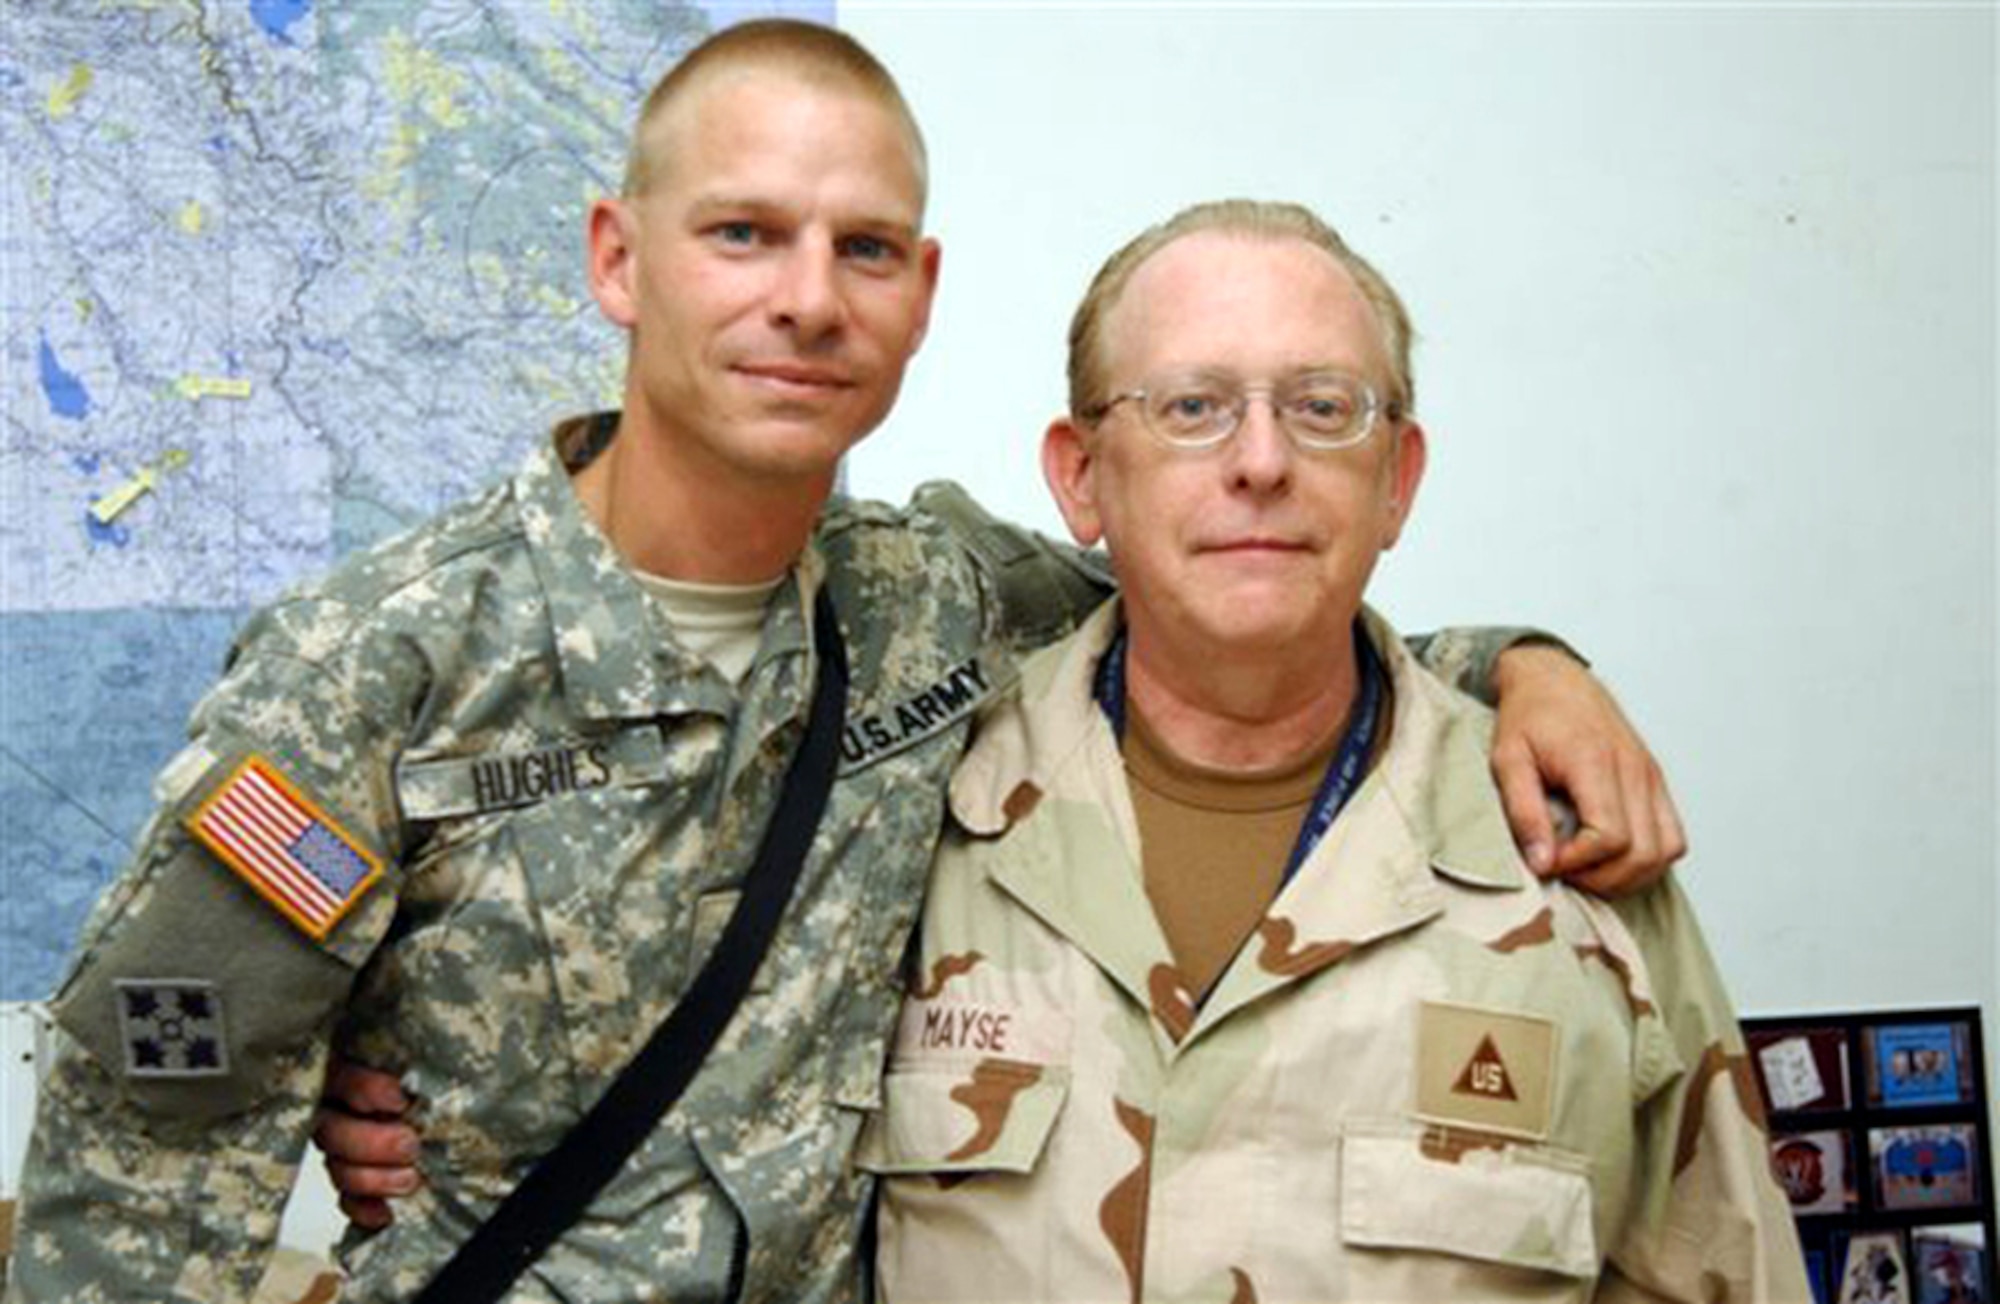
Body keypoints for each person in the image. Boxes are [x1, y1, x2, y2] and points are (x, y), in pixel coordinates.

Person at [6, 22, 1680, 1304]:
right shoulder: (376, 667)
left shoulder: (934, 602)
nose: (808, 299)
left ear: (921, 292)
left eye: (864, 249)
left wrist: (1526, 666)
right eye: (744, 233)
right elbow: (146, 1148)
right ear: (618, 258)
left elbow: (1220, 605)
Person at [857, 200, 1806, 1301]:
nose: (1260, 460)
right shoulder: (910, 820)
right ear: (1080, 475)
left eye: (1320, 407)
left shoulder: (1567, 862)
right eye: (1191, 406)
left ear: (1396, 477)